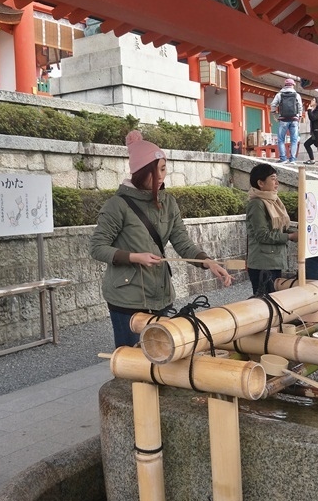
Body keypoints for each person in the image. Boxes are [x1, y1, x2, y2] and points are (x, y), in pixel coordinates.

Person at [90, 130, 233, 348]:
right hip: (127, 298)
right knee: (132, 361)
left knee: (161, 355)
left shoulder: (168, 202)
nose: (161, 176)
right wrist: (135, 257)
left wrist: (207, 261)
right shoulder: (117, 205)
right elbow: (97, 248)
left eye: (164, 169)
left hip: (161, 293)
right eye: (155, 172)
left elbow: (181, 240)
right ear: (139, 173)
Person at [245, 163, 299, 295]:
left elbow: (279, 228)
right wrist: (290, 237)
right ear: (261, 183)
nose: (277, 182)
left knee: (275, 300)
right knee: (266, 303)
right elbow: (262, 235)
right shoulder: (257, 203)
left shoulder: (274, 201)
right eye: (273, 178)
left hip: (274, 261)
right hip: (263, 264)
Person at [270, 78, 302, 164]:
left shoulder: (279, 95)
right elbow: (300, 107)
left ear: (285, 85)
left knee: (281, 139)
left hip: (283, 119)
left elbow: (273, 105)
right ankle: (292, 159)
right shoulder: (297, 95)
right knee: (294, 140)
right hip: (294, 119)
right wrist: (299, 117)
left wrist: (275, 115)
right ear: (293, 85)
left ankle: (283, 158)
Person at [304, 97, 318, 165]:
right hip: (315, 133)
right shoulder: (315, 110)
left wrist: (309, 110)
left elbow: (312, 118)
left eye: (313, 100)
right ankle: (312, 159)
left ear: (317, 102)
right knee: (307, 144)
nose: (311, 101)